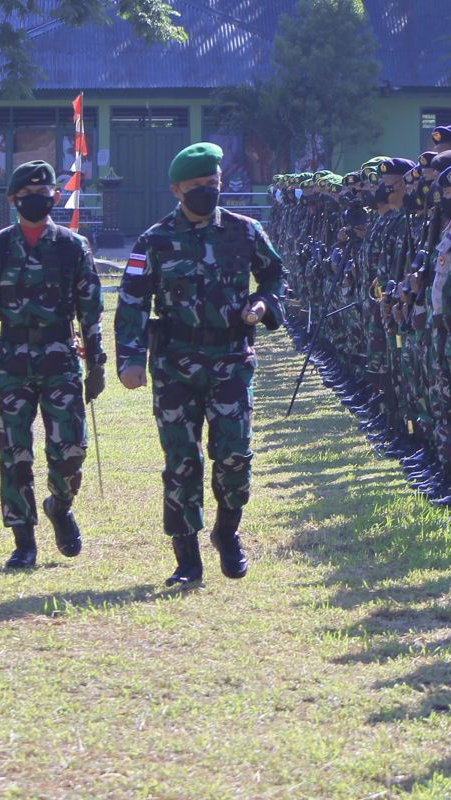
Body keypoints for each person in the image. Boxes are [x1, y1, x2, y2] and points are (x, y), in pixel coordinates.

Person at [115, 142, 287, 588]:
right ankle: (187, 557)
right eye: (197, 186)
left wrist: (264, 304)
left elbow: (274, 274)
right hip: (175, 364)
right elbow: (132, 300)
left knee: (234, 455)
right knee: (181, 461)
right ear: (176, 189)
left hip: (231, 359)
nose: (207, 192)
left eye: (212, 184)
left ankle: (227, 532)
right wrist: (130, 359)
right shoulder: (153, 241)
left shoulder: (245, 231)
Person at [0, 160, 105, 569]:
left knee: (70, 448)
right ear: (13, 200)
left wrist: (95, 364)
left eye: (44, 194)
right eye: (28, 196)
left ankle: (59, 505)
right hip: (12, 360)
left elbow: (90, 310)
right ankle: (24, 540)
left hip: (60, 356)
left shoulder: (73, 247)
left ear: (54, 197)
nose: (38, 200)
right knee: (14, 452)